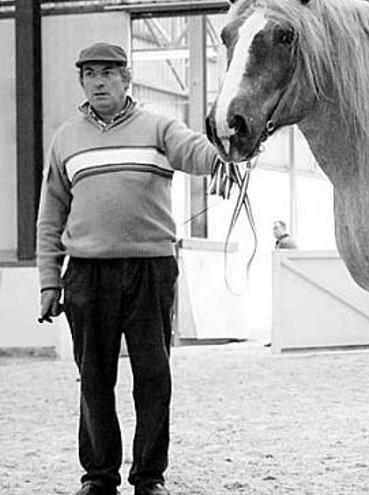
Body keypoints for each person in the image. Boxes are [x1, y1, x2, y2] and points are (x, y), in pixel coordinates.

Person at [36, 42, 221, 495]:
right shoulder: (66, 138)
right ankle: (99, 476)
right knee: (95, 378)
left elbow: (197, 154)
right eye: (90, 74)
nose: (98, 81)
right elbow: (50, 214)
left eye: (108, 73)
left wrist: (226, 146)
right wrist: (47, 282)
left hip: (151, 269)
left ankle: (149, 477)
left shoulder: (159, 127)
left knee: (153, 377)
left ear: (127, 79)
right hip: (86, 273)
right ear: (81, 81)